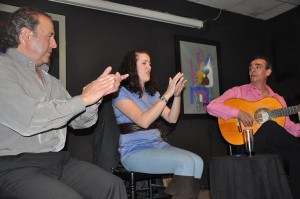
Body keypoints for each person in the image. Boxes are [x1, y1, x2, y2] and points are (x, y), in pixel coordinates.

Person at [0, 6, 129, 199]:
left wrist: (95, 98)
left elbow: (80, 122)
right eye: (49, 36)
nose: (54, 44)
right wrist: (84, 98)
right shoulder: (4, 70)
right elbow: (29, 119)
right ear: (26, 35)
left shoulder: (52, 81)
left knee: (113, 185)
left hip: (58, 160)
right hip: (15, 165)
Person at [112, 49, 204, 199]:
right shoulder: (121, 93)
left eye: (150, 63)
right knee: (185, 163)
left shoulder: (152, 94)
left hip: (158, 146)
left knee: (197, 161)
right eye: (144, 63)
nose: (149, 66)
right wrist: (167, 94)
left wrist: (177, 96)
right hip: (135, 151)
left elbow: (172, 118)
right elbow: (143, 120)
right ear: (132, 67)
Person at [207, 56, 300, 199]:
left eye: (258, 66)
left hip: (270, 146)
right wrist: (238, 113)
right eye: (250, 67)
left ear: (268, 72)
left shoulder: (278, 99)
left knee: (296, 151)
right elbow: (211, 106)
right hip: (245, 143)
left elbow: (287, 127)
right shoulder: (238, 91)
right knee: (270, 125)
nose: (252, 70)